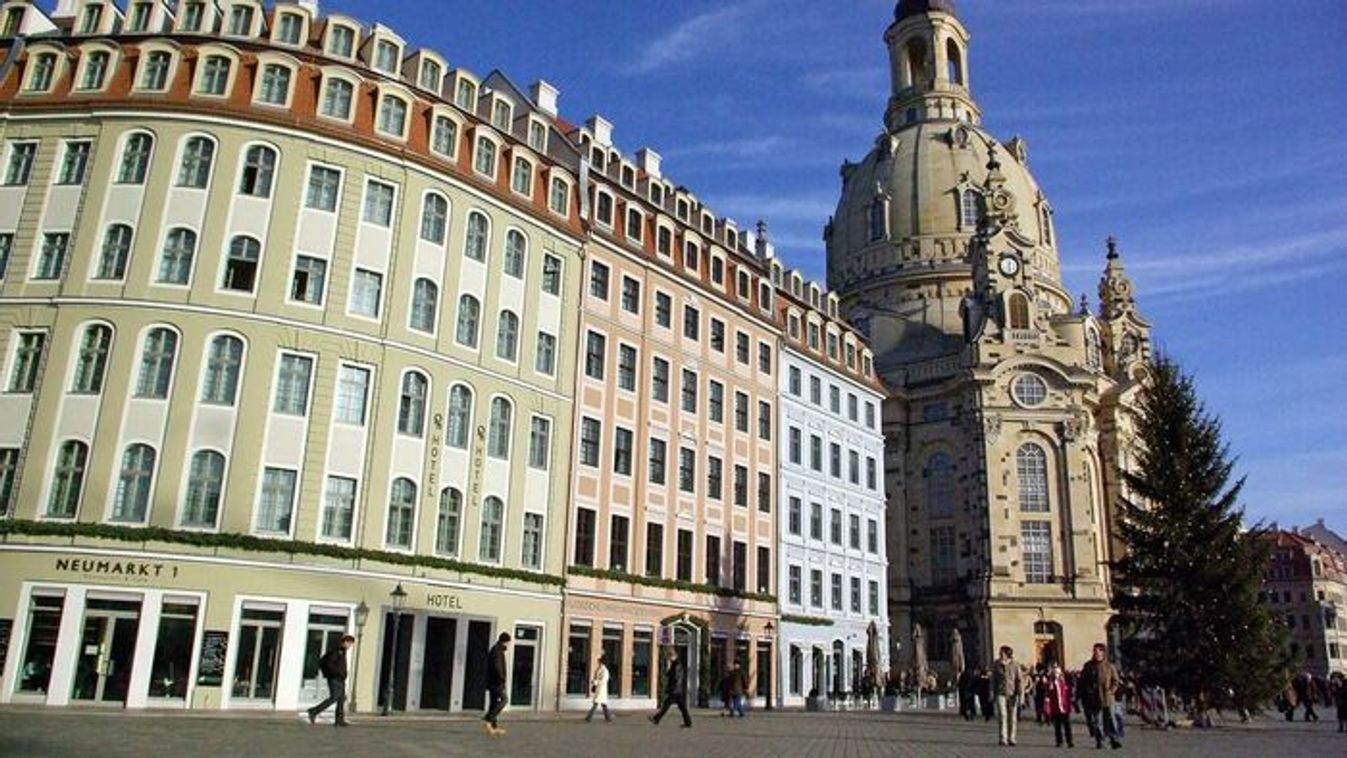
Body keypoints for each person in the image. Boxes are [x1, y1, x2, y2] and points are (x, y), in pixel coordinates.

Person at [1079, 643, 1122, 750]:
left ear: (1103, 653)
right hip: (1094, 698)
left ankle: (1114, 739)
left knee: (1111, 719)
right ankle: (1100, 740)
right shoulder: (1088, 666)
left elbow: (1116, 681)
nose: (1096, 653)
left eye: (1098, 651)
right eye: (1094, 651)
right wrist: (1084, 693)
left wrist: (1111, 691)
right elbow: (1082, 681)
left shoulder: (1109, 666)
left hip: (1107, 698)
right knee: (1097, 721)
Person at [305, 634, 355, 727]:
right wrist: (336, 673)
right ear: (345, 642)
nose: (350, 646)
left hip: (340, 679)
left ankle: (339, 720)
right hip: (335, 679)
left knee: (341, 699)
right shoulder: (336, 651)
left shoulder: (342, 651)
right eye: (349, 644)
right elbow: (329, 664)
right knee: (334, 697)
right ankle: (313, 711)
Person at [650, 649, 692, 728]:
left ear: (674, 656)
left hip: (674, 690)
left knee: (666, 706)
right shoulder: (675, 664)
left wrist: (671, 687)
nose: (669, 658)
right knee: (682, 707)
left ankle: (656, 719)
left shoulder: (677, 665)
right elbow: (670, 674)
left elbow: (675, 677)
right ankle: (688, 722)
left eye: (670, 656)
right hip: (677, 690)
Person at [992, 646, 1023, 747]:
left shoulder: (1015, 665)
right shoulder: (996, 664)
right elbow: (993, 680)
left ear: (1007, 654)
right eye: (1000, 653)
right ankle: (1003, 738)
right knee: (1002, 715)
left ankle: (1012, 738)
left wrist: (1021, 695)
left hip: (1012, 693)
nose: (1000, 654)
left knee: (1012, 717)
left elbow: (1019, 680)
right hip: (1000, 693)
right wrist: (992, 692)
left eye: (1002, 653)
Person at [482, 632, 510, 737]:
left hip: (492, 682)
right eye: (508, 642)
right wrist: (502, 679)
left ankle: (493, 727)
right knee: (504, 700)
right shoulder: (497, 651)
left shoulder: (496, 650)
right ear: (505, 641)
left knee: (493, 703)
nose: (508, 645)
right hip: (496, 682)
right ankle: (488, 718)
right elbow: (497, 667)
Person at [1042, 663, 1074, 748]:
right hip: (1055, 708)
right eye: (1055, 673)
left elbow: (1069, 694)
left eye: (1058, 673)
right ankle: (1059, 741)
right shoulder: (1050, 684)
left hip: (1064, 707)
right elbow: (1047, 695)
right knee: (1057, 726)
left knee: (1067, 725)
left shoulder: (1064, 682)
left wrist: (1071, 703)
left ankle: (1070, 741)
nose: (1056, 674)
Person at [585, 653, 613, 723]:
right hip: (599, 689)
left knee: (596, 703)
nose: (598, 662)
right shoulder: (600, 669)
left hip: (601, 689)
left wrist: (595, 682)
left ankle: (589, 717)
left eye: (599, 661)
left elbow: (603, 680)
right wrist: (595, 682)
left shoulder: (604, 670)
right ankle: (608, 718)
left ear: (601, 662)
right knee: (603, 704)